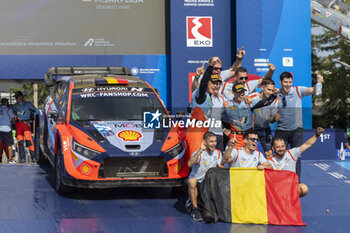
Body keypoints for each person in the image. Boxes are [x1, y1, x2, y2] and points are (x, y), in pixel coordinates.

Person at [275, 72, 324, 179]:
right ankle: (278, 180)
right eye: (285, 82)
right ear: (280, 82)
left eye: (290, 82)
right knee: (278, 156)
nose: (288, 84)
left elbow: (313, 90)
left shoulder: (298, 90)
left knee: (296, 157)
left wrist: (319, 83)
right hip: (281, 130)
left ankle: (295, 182)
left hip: (297, 131)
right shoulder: (276, 93)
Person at [268, 127, 325, 197]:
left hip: (292, 185)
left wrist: (317, 135)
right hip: (279, 188)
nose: (281, 149)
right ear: (273, 148)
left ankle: (294, 200)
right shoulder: (270, 161)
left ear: (285, 146)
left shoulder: (292, 153)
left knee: (303, 189)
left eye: (282, 146)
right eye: (278, 147)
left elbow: (307, 145)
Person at [223, 83, 278, 148]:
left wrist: (274, 95)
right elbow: (216, 117)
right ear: (233, 92)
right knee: (235, 157)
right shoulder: (226, 104)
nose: (241, 94)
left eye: (243, 92)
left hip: (249, 137)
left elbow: (265, 103)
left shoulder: (248, 102)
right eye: (239, 92)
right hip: (235, 138)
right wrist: (223, 129)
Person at [187, 65, 225, 155]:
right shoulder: (201, 94)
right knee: (195, 158)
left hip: (205, 131)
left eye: (218, 84)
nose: (216, 86)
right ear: (208, 84)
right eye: (213, 83)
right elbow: (203, 84)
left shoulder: (211, 98)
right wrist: (210, 68)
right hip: (196, 130)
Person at [186, 132, 222, 221]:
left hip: (209, 182)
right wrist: (199, 151)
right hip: (198, 182)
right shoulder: (199, 153)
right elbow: (189, 164)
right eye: (211, 142)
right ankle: (194, 208)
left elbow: (221, 167)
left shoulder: (217, 153)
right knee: (192, 181)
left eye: (215, 141)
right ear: (205, 142)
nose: (214, 144)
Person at [249, 79, 280, 158]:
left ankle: (267, 170)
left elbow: (271, 120)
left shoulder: (274, 100)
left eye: (272, 90)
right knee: (251, 152)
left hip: (265, 128)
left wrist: (275, 118)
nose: (270, 92)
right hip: (251, 129)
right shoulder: (252, 97)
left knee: (269, 154)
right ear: (262, 87)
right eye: (268, 90)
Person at [12, 91, 36, 163]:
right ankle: (22, 158)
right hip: (18, 124)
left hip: (26, 124)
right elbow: (11, 113)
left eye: (18, 97)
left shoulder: (28, 104)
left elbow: (36, 112)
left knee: (29, 141)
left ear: (21, 97)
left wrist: (31, 120)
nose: (17, 99)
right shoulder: (15, 106)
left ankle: (33, 157)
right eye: (16, 97)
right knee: (20, 142)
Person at [0, 98, 15, 164]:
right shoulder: (9, 109)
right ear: (6, 103)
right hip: (7, 129)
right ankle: (10, 159)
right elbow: (12, 118)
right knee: (9, 145)